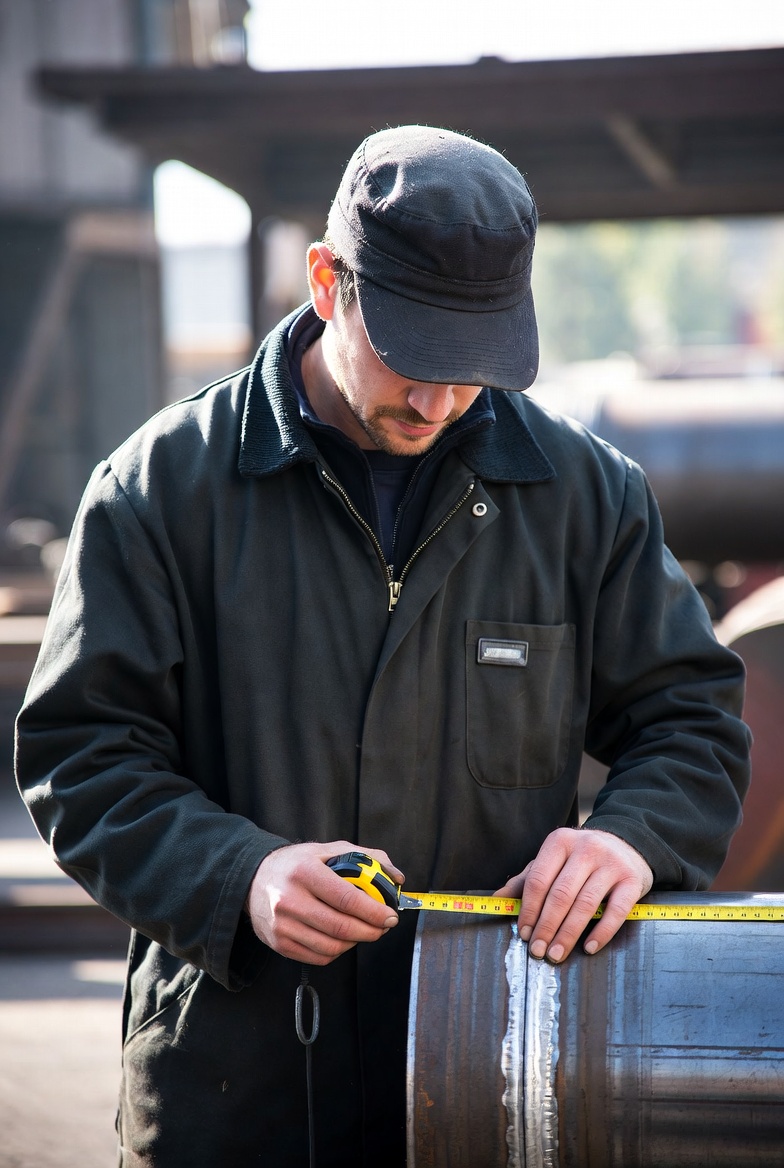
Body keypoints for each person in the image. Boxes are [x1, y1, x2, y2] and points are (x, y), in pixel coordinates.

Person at [15, 125, 750, 1167]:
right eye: (413, 356)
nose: (441, 402)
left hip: (501, 1084)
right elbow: (80, 756)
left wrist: (631, 838)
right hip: (235, 1098)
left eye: (476, 366)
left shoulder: (589, 500)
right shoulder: (158, 493)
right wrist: (237, 877)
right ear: (327, 282)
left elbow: (691, 724)